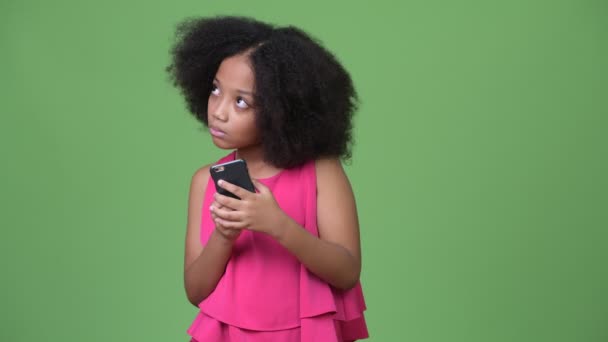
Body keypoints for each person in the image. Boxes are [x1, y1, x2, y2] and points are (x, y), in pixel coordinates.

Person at [167, 16, 368, 342]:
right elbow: (195, 290)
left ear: (282, 109)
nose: (218, 110)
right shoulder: (205, 182)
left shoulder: (320, 173)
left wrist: (278, 225)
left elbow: (346, 272)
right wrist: (224, 234)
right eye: (216, 89)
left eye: (241, 101)